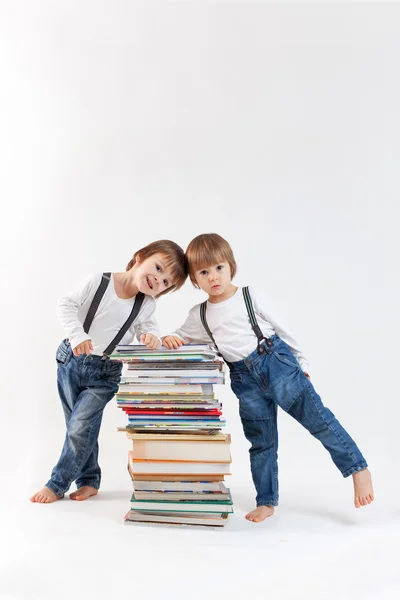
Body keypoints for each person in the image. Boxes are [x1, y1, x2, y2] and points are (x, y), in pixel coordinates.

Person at [163, 233, 374, 523]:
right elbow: (181, 334)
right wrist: (170, 338)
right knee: (261, 441)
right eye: (204, 272)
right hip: (244, 380)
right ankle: (266, 500)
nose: (214, 277)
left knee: (319, 421)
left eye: (219, 268)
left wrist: (302, 363)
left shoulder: (249, 296)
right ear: (195, 281)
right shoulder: (200, 314)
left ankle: (358, 469)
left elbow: (283, 329)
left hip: (276, 363)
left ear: (230, 266)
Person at [31, 240, 187, 504]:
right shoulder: (99, 281)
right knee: (78, 427)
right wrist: (77, 334)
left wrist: (151, 337)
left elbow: (148, 328)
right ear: (139, 257)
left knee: (79, 427)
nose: (158, 280)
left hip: (105, 373)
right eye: (158, 268)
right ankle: (89, 481)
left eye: (166, 283)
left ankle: (57, 484)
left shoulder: (146, 304)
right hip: (71, 360)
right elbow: (65, 304)